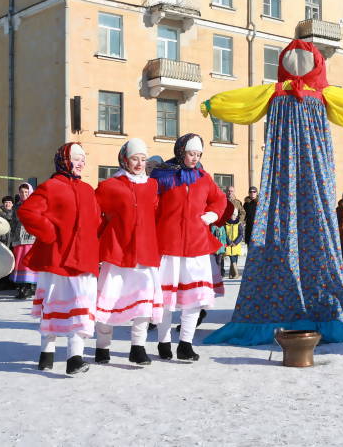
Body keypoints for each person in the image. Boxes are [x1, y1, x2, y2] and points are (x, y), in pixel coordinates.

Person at [203, 39, 343, 345]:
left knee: (299, 223)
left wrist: (215, 104)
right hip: (304, 174)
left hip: (293, 175)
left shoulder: (282, 92)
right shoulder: (304, 93)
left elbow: (244, 100)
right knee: (311, 226)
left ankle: (282, 310)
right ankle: (317, 310)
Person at [18, 142, 101, 375]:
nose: (81, 162)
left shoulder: (87, 190)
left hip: (83, 259)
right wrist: (50, 233)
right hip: (56, 258)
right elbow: (27, 212)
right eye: (76, 158)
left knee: (81, 306)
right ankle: (47, 352)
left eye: (83, 158)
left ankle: (75, 357)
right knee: (53, 305)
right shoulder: (51, 187)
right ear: (64, 160)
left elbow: (96, 221)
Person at [150, 134, 226, 361]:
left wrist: (213, 213)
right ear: (181, 152)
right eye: (192, 153)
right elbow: (149, 205)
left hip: (196, 247)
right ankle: (163, 343)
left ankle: (185, 343)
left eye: (199, 154)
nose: (195, 158)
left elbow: (219, 199)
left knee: (194, 299)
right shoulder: (161, 176)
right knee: (165, 300)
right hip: (168, 246)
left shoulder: (203, 178)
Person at [94, 138, 163, 367]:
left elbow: (156, 214)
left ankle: (138, 347)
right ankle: (102, 347)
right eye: (135, 158)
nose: (140, 163)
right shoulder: (109, 186)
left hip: (145, 253)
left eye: (143, 159)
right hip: (118, 253)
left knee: (144, 303)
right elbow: (95, 216)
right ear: (125, 159)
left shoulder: (152, 185)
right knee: (109, 300)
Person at [9, 183, 38, 299]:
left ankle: (29, 286)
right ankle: (21, 286)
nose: (24, 194)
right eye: (21, 192)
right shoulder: (16, 206)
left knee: (28, 262)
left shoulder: (35, 204)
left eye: (26, 192)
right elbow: (13, 222)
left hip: (31, 237)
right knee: (19, 262)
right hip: (18, 238)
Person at [223, 206, 244, 278]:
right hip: (229, 245)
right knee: (232, 258)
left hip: (236, 245)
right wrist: (229, 242)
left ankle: (231, 274)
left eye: (234, 214)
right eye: (231, 214)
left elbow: (241, 234)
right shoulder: (226, 224)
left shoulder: (239, 224)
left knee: (235, 258)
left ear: (236, 215)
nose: (233, 216)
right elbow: (224, 234)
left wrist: (235, 242)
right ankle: (237, 274)